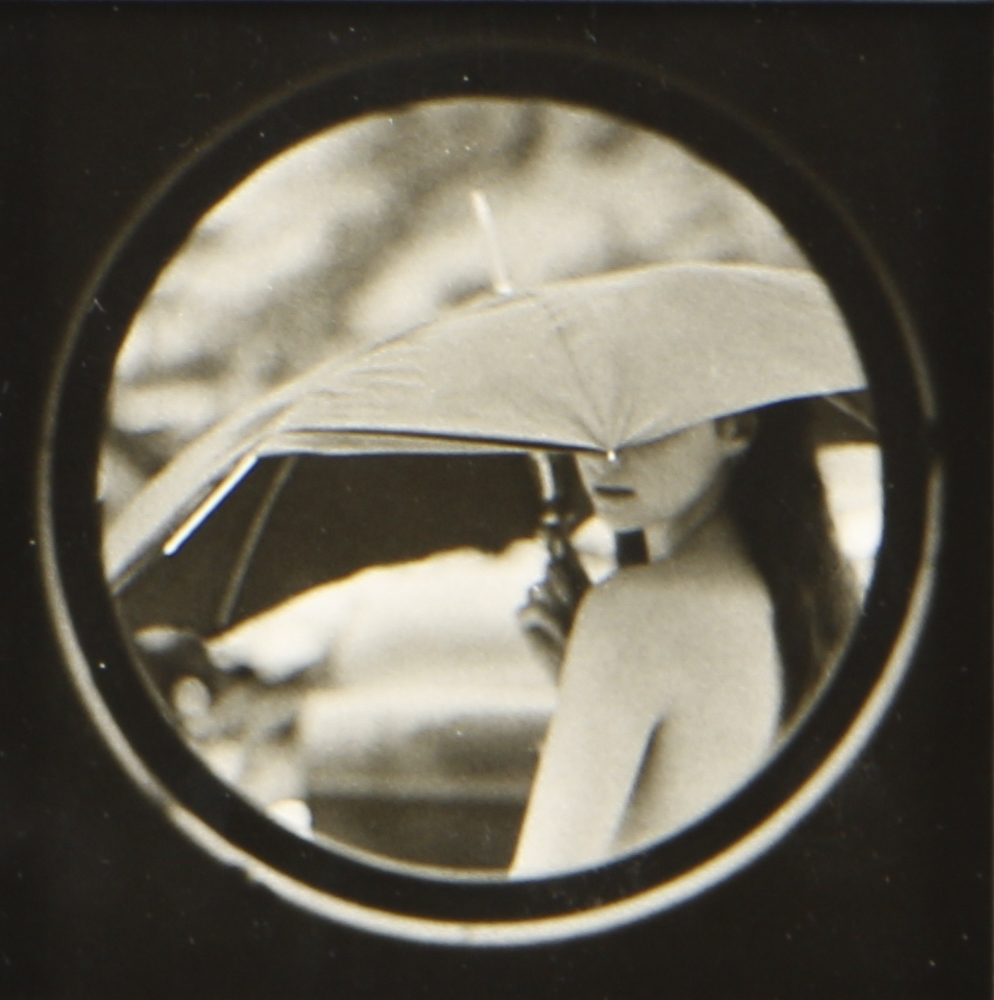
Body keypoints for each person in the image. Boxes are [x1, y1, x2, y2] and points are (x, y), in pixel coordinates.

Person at [510, 397, 858, 877]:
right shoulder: (807, 599)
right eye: (590, 418)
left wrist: (595, 675)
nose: (604, 455)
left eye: (639, 419)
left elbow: (542, 892)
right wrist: (589, 685)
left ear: (735, 425)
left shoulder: (633, 611)